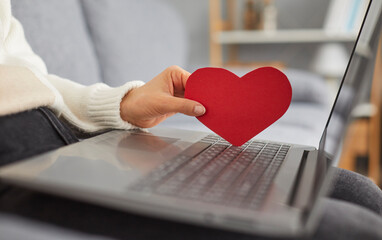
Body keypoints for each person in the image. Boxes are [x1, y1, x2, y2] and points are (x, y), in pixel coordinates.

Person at [1, 1, 382, 239]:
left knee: (359, 191)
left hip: (65, 133)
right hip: (12, 157)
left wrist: (122, 103)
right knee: (350, 230)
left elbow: (27, 72)